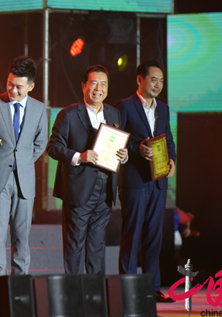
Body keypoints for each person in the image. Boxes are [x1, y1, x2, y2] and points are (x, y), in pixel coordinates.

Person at [47, 65, 127, 275]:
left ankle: (95, 290)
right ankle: (74, 289)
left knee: (97, 243)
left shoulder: (114, 113)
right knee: (75, 243)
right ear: (83, 86)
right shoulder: (68, 114)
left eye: (104, 84)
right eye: (94, 83)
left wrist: (124, 156)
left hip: (105, 187)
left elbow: (118, 144)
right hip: (78, 188)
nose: (99, 88)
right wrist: (79, 157)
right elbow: (53, 147)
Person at [116, 60, 176, 303]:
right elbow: (117, 139)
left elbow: (168, 140)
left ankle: (153, 288)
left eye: (161, 81)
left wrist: (172, 161)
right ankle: (128, 288)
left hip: (158, 180)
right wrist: (137, 149)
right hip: (134, 180)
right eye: (153, 80)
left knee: (154, 236)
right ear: (139, 79)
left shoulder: (164, 108)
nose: (158, 85)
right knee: (132, 234)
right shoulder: (125, 105)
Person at [0, 57, 48, 277]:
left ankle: (21, 284)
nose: (13, 90)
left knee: (22, 237)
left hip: (24, 179)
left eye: (19, 86)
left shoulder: (39, 109)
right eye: (10, 84)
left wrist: (23, 162)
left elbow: (41, 143)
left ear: (31, 86)